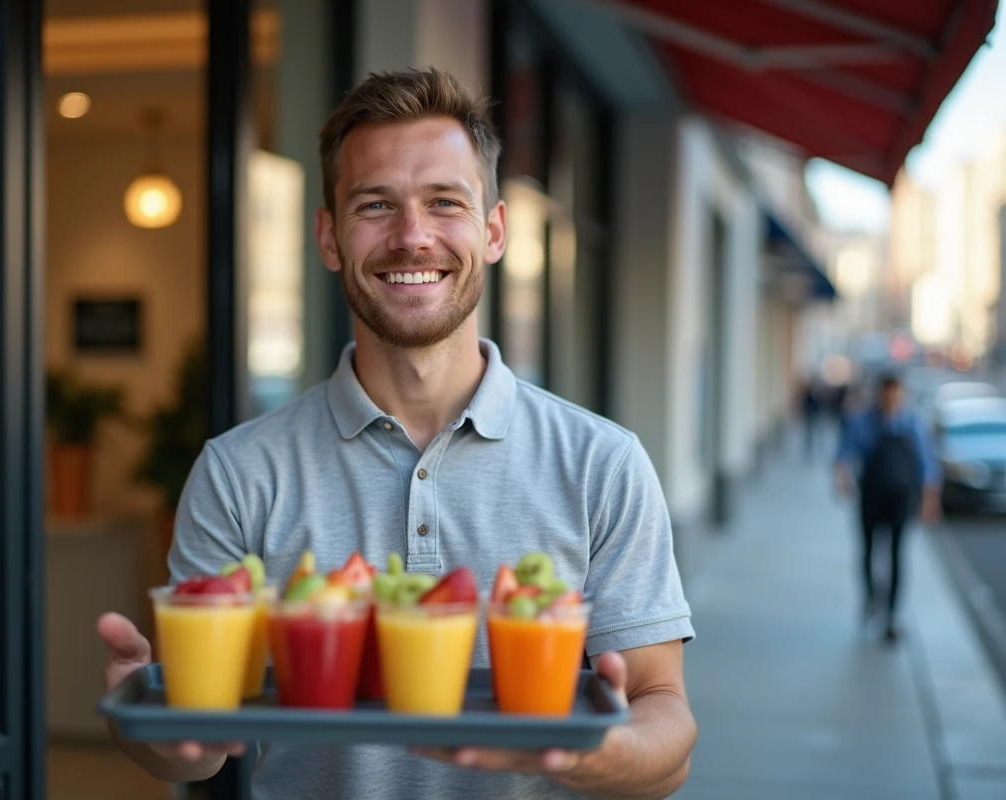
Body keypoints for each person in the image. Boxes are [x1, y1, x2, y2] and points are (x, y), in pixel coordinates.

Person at [97, 67, 696, 800]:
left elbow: (666, 729)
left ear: (494, 230)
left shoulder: (602, 462)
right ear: (329, 237)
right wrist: (148, 726)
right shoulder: (238, 471)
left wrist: (572, 753)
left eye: (445, 202)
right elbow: (197, 751)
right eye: (375, 205)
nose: (412, 238)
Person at [834, 373, 940, 643]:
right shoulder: (863, 422)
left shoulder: (912, 424)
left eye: (896, 395)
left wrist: (929, 502)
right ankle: (870, 598)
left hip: (900, 499)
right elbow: (844, 452)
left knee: (895, 554)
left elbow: (927, 467)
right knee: (868, 551)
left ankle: (892, 614)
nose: (892, 400)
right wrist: (842, 478)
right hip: (871, 496)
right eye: (887, 395)